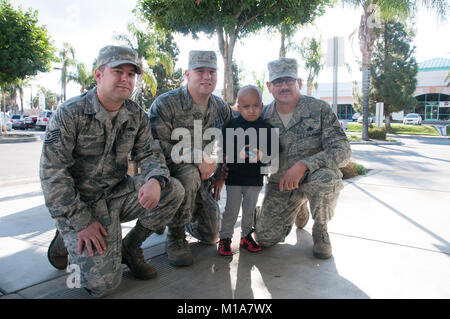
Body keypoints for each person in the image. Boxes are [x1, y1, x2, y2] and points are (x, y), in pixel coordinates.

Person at [41, 45, 184, 298]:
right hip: (81, 204)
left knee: (172, 189)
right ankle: (65, 236)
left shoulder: (135, 114)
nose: (125, 79)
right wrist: (81, 222)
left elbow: (150, 153)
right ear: (99, 75)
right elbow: (53, 174)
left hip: (117, 194)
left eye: (131, 74)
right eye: (118, 71)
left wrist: (155, 178)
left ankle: (131, 246)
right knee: (103, 285)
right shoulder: (69, 114)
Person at [254, 58, 351, 259]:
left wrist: (304, 165)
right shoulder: (262, 116)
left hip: (313, 179)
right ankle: (299, 207)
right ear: (269, 86)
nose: (284, 86)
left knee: (326, 179)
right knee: (264, 238)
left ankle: (321, 229)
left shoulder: (319, 110)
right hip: (281, 184)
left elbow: (343, 151)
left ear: (298, 82)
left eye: (289, 81)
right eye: (278, 82)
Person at [149, 50, 232, 266]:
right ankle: (175, 236)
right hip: (170, 179)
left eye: (212, 72)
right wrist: (196, 157)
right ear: (187, 74)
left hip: (202, 180)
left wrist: (221, 174)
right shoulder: (166, 104)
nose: (207, 76)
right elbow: (155, 145)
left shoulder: (220, 107)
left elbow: (228, 143)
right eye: (200, 71)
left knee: (211, 235)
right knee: (188, 171)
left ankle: (181, 215)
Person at [217, 85, 274, 256]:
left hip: (255, 179)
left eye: (255, 105)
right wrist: (240, 152)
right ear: (238, 107)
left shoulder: (266, 128)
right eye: (246, 106)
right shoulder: (231, 126)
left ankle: (246, 236)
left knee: (249, 209)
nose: (251, 110)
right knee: (231, 210)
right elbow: (224, 150)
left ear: (261, 106)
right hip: (235, 178)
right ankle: (225, 238)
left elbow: (273, 151)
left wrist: (262, 154)